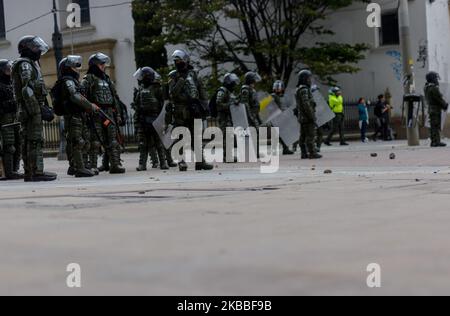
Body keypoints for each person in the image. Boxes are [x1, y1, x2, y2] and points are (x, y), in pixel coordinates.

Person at [11, 36, 57, 182]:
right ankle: (37, 172)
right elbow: (27, 90)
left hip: (28, 109)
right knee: (35, 140)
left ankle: (29, 172)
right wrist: (36, 110)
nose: (38, 50)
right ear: (27, 48)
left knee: (29, 140)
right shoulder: (26, 65)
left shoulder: (30, 63)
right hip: (30, 110)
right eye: (35, 47)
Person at [167, 49, 213, 172]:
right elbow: (172, 94)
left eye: (180, 60)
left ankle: (200, 162)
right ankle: (181, 162)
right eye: (176, 61)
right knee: (181, 137)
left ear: (186, 60)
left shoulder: (193, 74)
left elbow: (201, 90)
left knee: (197, 136)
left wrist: (205, 106)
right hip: (180, 110)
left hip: (194, 108)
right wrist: (181, 81)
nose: (178, 63)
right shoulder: (173, 76)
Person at [82, 53, 126, 174]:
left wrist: (117, 114)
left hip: (109, 113)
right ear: (94, 65)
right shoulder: (88, 78)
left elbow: (114, 98)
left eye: (103, 64)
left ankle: (115, 165)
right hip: (96, 113)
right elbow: (82, 95)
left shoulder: (107, 79)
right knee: (95, 141)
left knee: (113, 140)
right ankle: (93, 166)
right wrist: (89, 108)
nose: (103, 66)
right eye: (101, 64)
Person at [58, 55, 100, 178]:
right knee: (78, 142)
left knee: (84, 141)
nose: (77, 69)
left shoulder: (73, 81)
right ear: (67, 68)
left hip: (79, 115)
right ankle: (79, 168)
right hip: (72, 116)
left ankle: (77, 166)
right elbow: (75, 97)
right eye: (74, 66)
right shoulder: (68, 81)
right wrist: (90, 106)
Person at [133, 67, 169, 171]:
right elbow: (137, 106)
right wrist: (137, 121)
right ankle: (142, 164)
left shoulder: (157, 89)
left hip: (154, 118)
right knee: (143, 144)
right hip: (144, 119)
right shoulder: (140, 90)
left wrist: (163, 120)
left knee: (158, 143)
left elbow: (163, 105)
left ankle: (163, 162)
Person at [0, 59, 23, 180]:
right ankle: (8, 172)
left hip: (15, 117)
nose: (9, 72)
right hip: (5, 119)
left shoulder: (12, 84)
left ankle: (15, 169)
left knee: (18, 144)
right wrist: (9, 104)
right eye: (7, 70)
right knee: (9, 146)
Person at [296, 70, 322, 160]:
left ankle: (304, 153)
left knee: (303, 136)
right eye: (308, 78)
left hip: (303, 117)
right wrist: (311, 116)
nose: (310, 80)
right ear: (304, 79)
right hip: (307, 117)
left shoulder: (301, 89)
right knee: (310, 135)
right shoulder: (304, 90)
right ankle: (312, 153)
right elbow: (306, 104)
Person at [216, 73, 240, 162]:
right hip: (223, 118)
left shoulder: (229, 92)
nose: (234, 85)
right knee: (226, 137)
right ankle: (227, 156)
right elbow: (218, 104)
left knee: (229, 137)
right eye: (233, 83)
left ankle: (228, 155)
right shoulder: (222, 91)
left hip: (228, 118)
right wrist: (230, 105)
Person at [424, 71, 449, 147]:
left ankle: (434, 141)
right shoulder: (433, 88)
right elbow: (438, 99)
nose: (437, 80)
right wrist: (445, 105)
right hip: (435, 109)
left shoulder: (427, 87)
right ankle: (436, 142)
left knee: (433, 125)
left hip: (431, 109)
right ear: (432, 79)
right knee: (435, 125)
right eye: (435, 78)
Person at [272, 80, 294, 155]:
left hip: (284, 117)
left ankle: (285, 148)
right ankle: (282, 148)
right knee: (278, 134)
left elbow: (288, 106)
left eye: (279, 87)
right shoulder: (273, 96)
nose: (277, 89)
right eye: (276, 87)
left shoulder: (285, 97)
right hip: (276, 118)